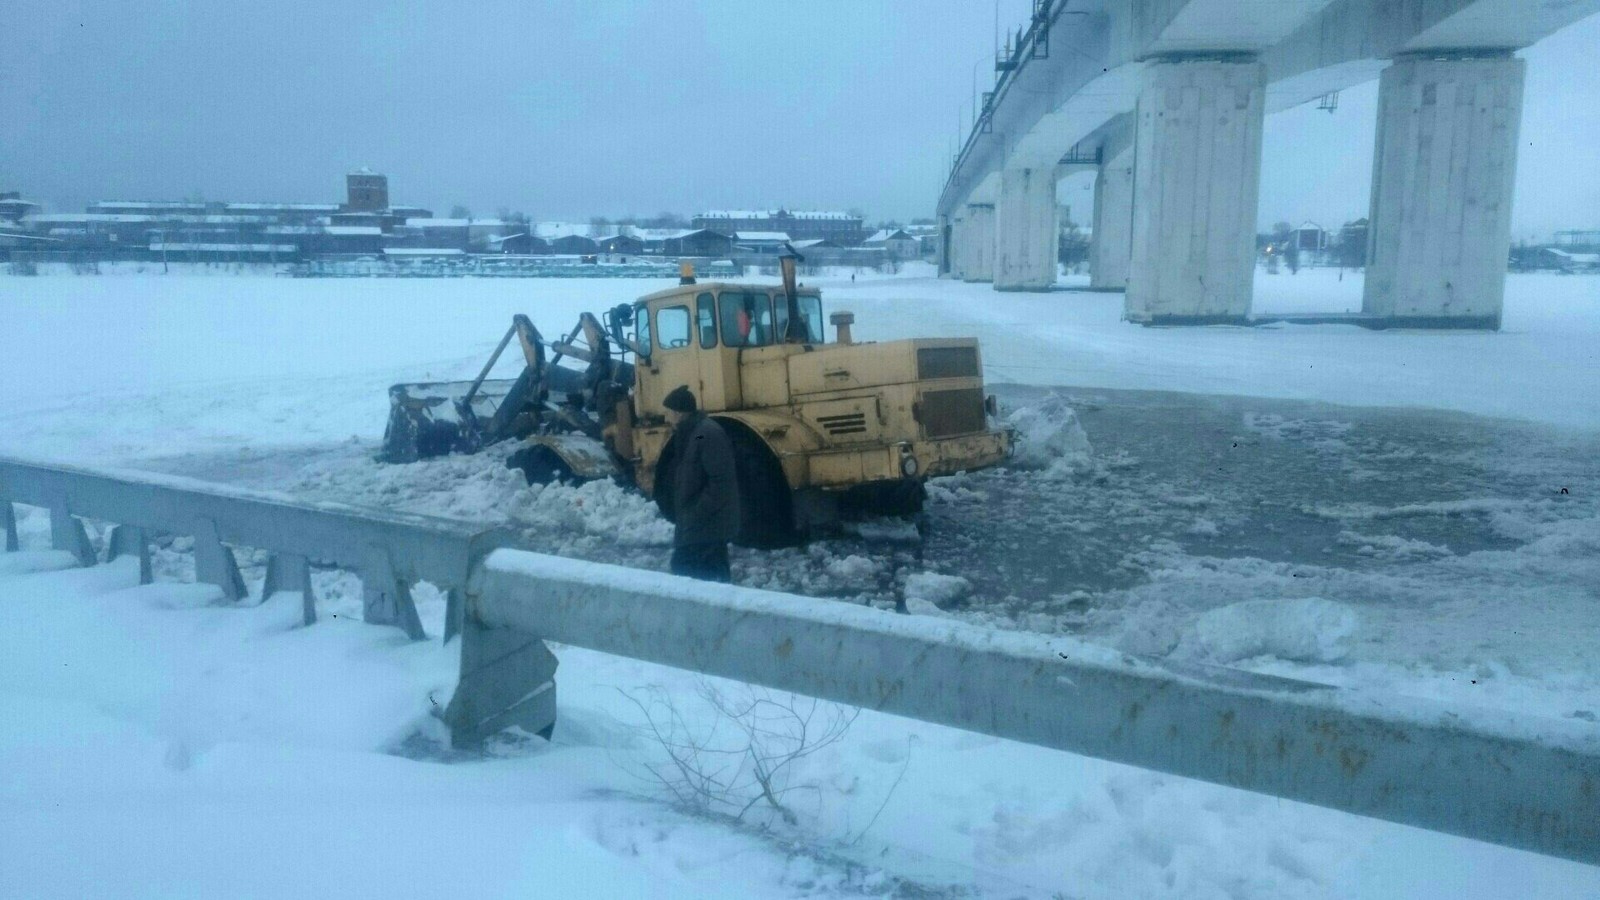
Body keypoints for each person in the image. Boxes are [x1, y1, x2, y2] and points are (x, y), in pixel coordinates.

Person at [657, 385, 740, 582]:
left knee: (688, 572)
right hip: (699, 526)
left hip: (706, 525)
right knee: (705, 577)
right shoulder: (693, 432)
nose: (667, 418)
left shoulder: (706, 434)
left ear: (678, 413)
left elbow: (721, 482)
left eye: (668, 413)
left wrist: (695, 512)